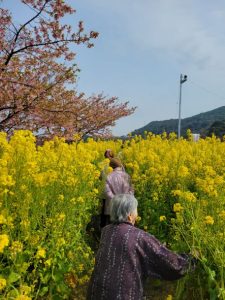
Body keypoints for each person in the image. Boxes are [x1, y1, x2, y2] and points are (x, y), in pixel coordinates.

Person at [87, 194, 195, 300]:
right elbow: (171, 265)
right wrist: (191, 258)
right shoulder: (139, 237)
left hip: (95, 294)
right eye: (136, 211)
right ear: (129, 215)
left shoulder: (106, 231)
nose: (137, 214)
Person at [102, 158, 134, 227]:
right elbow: (131, 191)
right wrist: (125, 200)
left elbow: (107, 192)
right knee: (123, 227)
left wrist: (116, 200)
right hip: (125, 206)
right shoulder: (127, 176)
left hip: (112, 207)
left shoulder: (109, 176)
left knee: (111, 227)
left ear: (111, 166)